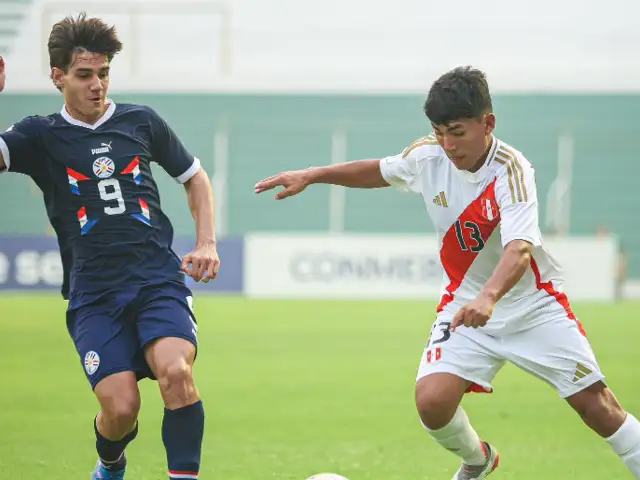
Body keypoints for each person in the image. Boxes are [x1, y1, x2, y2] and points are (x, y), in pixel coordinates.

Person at [254, 66, 640, 479]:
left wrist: (490, 297)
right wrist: (312, 175)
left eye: (457, 131)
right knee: (432, 402)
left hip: (531, 307)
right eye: (439, 131)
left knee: (597, 407)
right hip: (464, 303)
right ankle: (479, 461)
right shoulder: (428, 155)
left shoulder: (512, 170)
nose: (447, 144)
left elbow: (520, 249)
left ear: (487, 123)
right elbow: (379, 171)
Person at [0, 13, 219, 480]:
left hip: (157, 280)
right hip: (94, 295)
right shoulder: (39, 135)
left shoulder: (140, 121)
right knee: (120, 409)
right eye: (84, 75)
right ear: (58, 77)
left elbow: (195, 177)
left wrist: (206, 242)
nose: (96, 85)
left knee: (177, 374)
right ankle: (110, 463)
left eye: (103, 73)